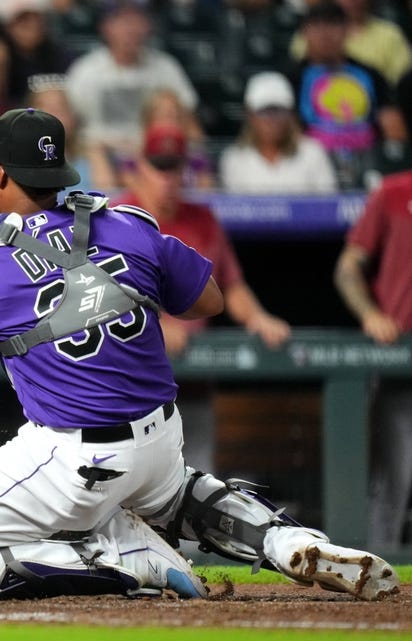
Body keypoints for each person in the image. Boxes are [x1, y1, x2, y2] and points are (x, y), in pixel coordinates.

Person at [0, 107, 398, 602]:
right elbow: (208, 301)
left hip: (74, 455)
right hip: (159, 439)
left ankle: (115, 561)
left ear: (0, 175)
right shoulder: (130, 221)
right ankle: (282, 542)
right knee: (175, 495)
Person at [118, 120, 291, 472]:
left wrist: (257, 316)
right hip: (129, 384)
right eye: (158, 168)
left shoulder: (203, 219)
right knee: (128, 488)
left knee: (193, 480)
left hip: (191, 382)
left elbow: (231, 285)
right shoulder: (116, 217)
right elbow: (96, 293)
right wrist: (152, 326)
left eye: (174, 168)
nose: (167, 178)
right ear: (140, 169)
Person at [334, 168, 412, 550]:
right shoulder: (395, 192)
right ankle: (383, 574)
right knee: (394, 480)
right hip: (400, 361)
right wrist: (370, 314)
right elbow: (348, 268)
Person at [64, 0, 199, 190]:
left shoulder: (166, 68)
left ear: (149, 25)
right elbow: (69, 128)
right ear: (105, 27)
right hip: (97, 158)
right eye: (122, 20)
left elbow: (192, 129)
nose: (130, 29)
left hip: (153, 157)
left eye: (137, 19)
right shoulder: (85, 71)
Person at [287, 0, 406, 189]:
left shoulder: (369, 74)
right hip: (313, 161)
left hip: (368, 158)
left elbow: (392, 124)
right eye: (317, 26)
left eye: (333, 24)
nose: (325, 34)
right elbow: (288, 129)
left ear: (347, 30)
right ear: (305, 33)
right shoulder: (293, 77)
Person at [220, 70, 339, 194]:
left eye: (279, 111)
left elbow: (328, 206)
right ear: (250, 116)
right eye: (264, 112)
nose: (272, 120)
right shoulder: (234, 159)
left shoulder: (313, 153)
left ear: (291, 115)